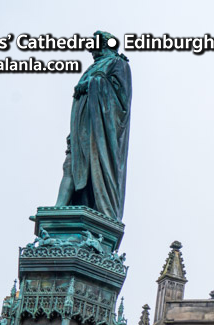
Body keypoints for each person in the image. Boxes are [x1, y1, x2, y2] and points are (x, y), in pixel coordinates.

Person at [55, 31, 132, 221]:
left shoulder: (118, 63)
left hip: (101, 132)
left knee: (94, 168)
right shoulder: (93, 66)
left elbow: (122, 101)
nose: (92, 52)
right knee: (71, 165)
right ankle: (60, 208)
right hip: (82, 126)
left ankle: (97, 209)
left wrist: (94, 82)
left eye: (94, 47)